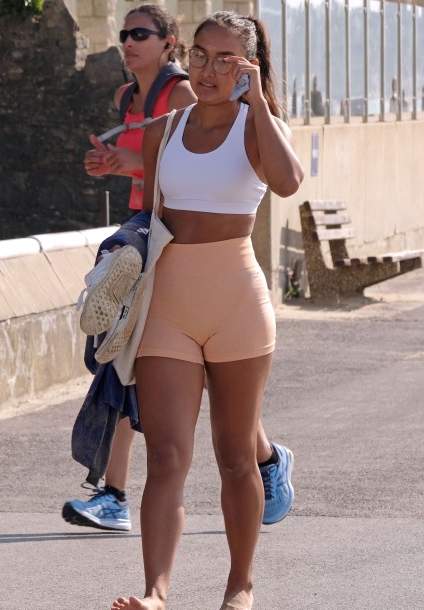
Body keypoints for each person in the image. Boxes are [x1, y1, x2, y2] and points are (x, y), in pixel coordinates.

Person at [108, 11, 303, 610]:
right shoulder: (166, 127)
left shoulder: (257, 125)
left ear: (248, 66)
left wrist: (260, 105)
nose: (209, 69)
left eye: (226, 60)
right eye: (200, 56)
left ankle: (240, 586)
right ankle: (155, 596)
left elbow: (289, 181)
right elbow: (152, 201)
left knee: (234, 459)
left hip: (237, 302)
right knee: (165, 456)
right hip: (169, 299)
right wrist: (112, 166)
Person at [67, 3, 294, 534]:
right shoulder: (132, 99)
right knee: (131, 378)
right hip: (158, 247)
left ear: (165, 43)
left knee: (224, 419)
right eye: (124, 33)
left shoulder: (191, 96)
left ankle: (264, 464)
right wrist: (118, 176)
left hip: (226, 280)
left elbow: (246, 174)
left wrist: (257, 102)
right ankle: (119, 496)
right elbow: (164, 175)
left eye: (140, 33)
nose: (128, 42)